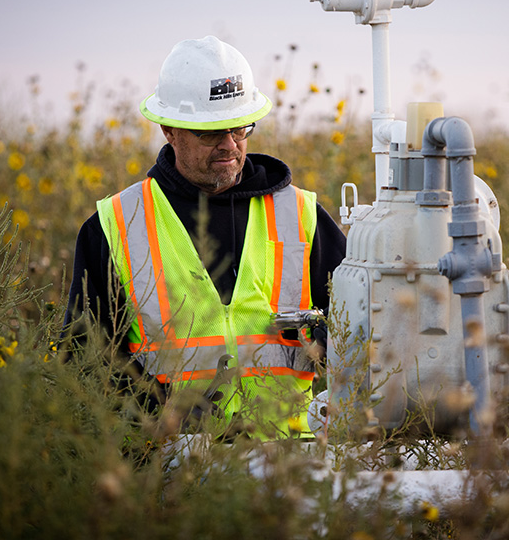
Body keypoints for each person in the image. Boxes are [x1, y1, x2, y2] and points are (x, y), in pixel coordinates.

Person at [64, 36, 347, 437]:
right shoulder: (115, 226)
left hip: (288, 465)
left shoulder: (301, 215)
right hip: (169, 471)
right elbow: (84, 359)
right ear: (169, 130)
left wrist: (329, 342)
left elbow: (366, 333)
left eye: (239, 127)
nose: (230, 145)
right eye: (211, 133)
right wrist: (154, 420)